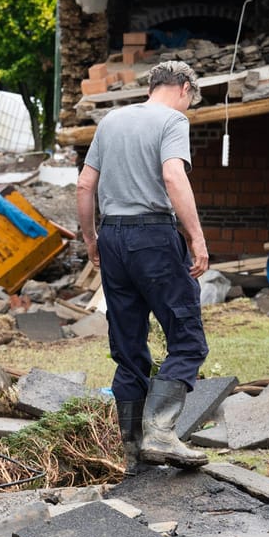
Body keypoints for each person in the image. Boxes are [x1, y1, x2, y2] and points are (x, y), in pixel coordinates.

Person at [75, 59, 210, 473]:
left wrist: (90, 238)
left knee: (129, 346)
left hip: (112, 237)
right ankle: (162, 433)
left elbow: (84, 184)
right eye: (190, 101)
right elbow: (173, 178)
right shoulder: (171, 121)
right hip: (153, 236)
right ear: (185, 87)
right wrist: (196, 236)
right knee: (187, 338)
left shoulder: (110, 121)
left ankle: (133, 451)